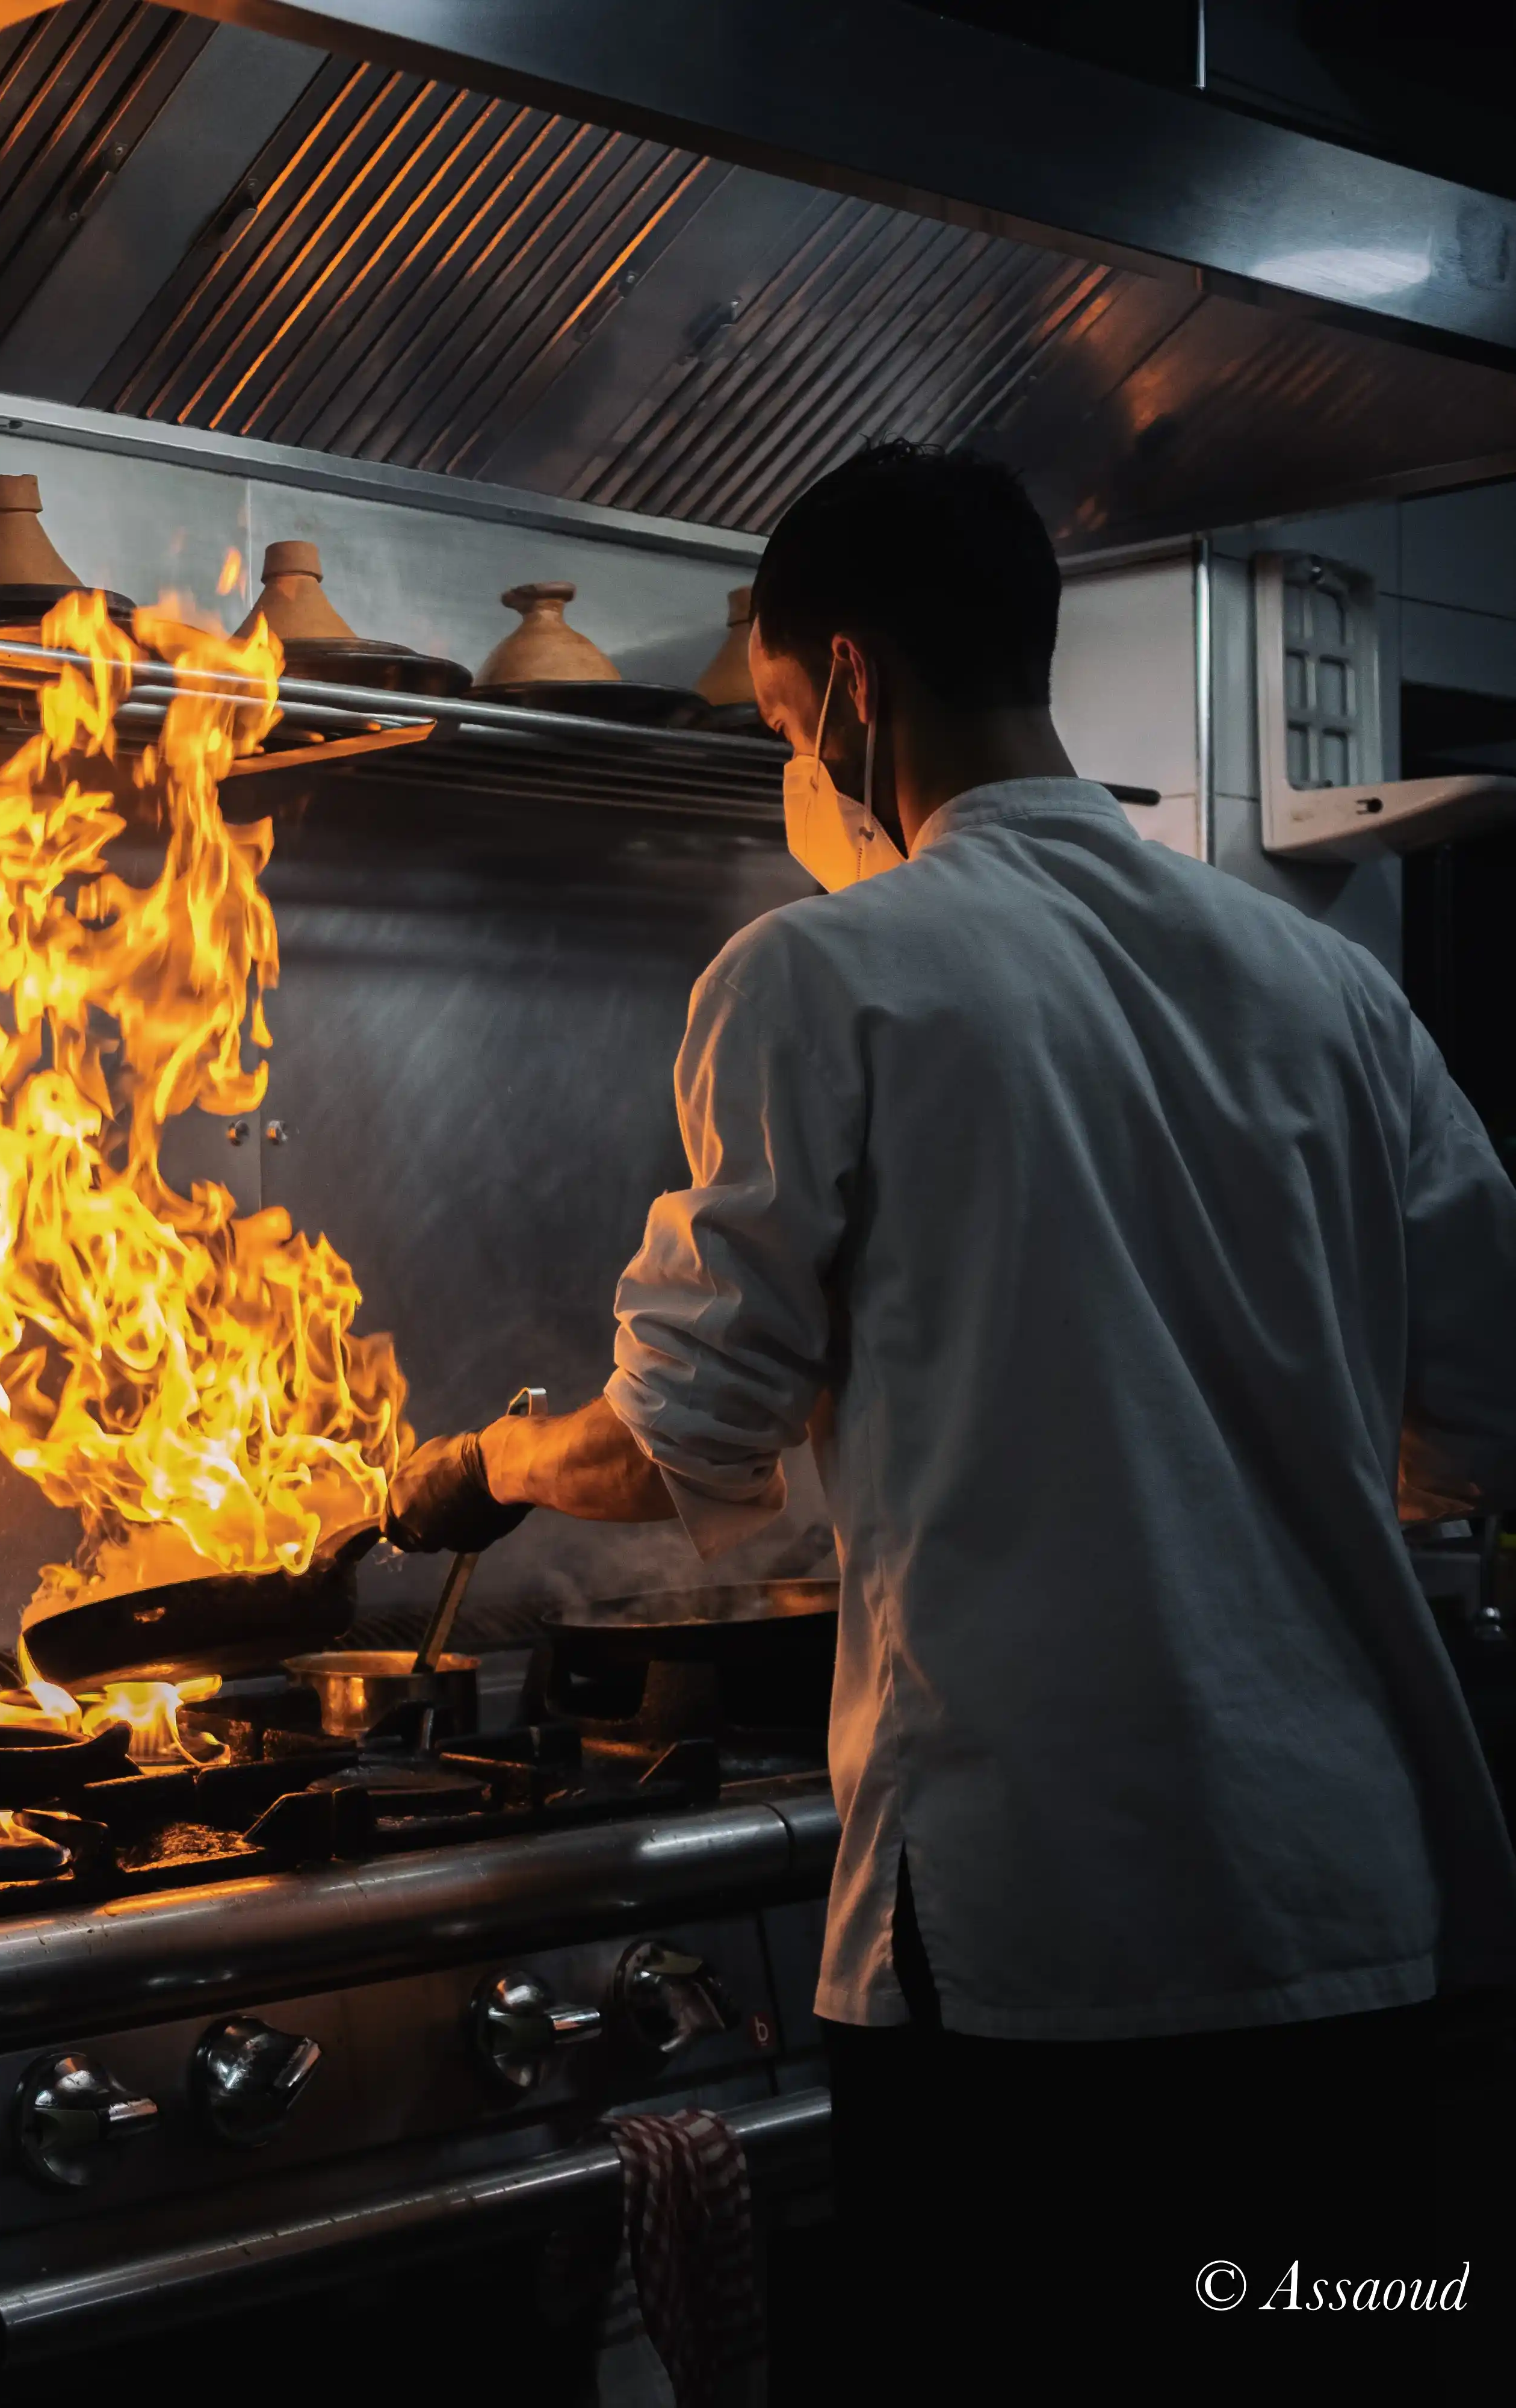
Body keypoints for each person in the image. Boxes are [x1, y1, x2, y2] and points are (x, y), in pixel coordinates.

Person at [386, 441, 1516, 2386]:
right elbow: (1482, 1416)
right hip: (1349, 1910)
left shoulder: (819, 977)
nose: (795, 768)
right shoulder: (1326, 990)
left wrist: (476, 1468)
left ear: (843, 685)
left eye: (776, 721)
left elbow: (675, 1445)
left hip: (1046, 1941)